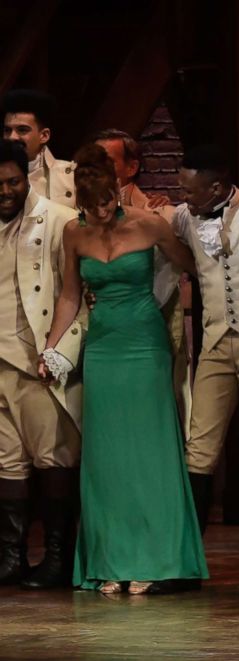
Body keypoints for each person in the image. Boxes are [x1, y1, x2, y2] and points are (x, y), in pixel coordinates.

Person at [40, 143, 206, 595]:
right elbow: (70, 296)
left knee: (150, 452)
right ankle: (112, 559)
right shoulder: (73, 234)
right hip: (104, 347)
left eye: (108, 204)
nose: (102, 214)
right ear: (80, 203)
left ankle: (156, 558)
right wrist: (51, 349)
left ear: (115, 193)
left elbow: (191, 267)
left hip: (145, 344)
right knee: (108, 457)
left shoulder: (150, 224)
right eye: (92, 209)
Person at [172, 144, 239, 592]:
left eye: (192, 192)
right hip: (214, 341)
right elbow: (143, 221)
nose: (185, 199)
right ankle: (186, 562)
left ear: (216, 186)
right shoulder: (182, 216)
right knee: (200, 448)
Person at [0, 141, 83, 590]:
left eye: (14, 182)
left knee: (53, 458)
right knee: (6, 463)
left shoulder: (58, 220)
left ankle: (57, 557)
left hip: (39, 363)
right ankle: (11, 557)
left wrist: (58, 352)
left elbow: (79, 297)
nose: (7, 191)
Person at [92, 128, 190, 436]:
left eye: (106, 160)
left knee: (150, 418)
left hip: (148, 329)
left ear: (131, 167)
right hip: (103, 333)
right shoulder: (84, 220)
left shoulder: (163, 214)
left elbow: (188, 268)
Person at [2, 89, 75, 205]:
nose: (12, 137)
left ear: (44, 135)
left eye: (22, 130)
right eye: (7, 130)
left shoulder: (72, 177)